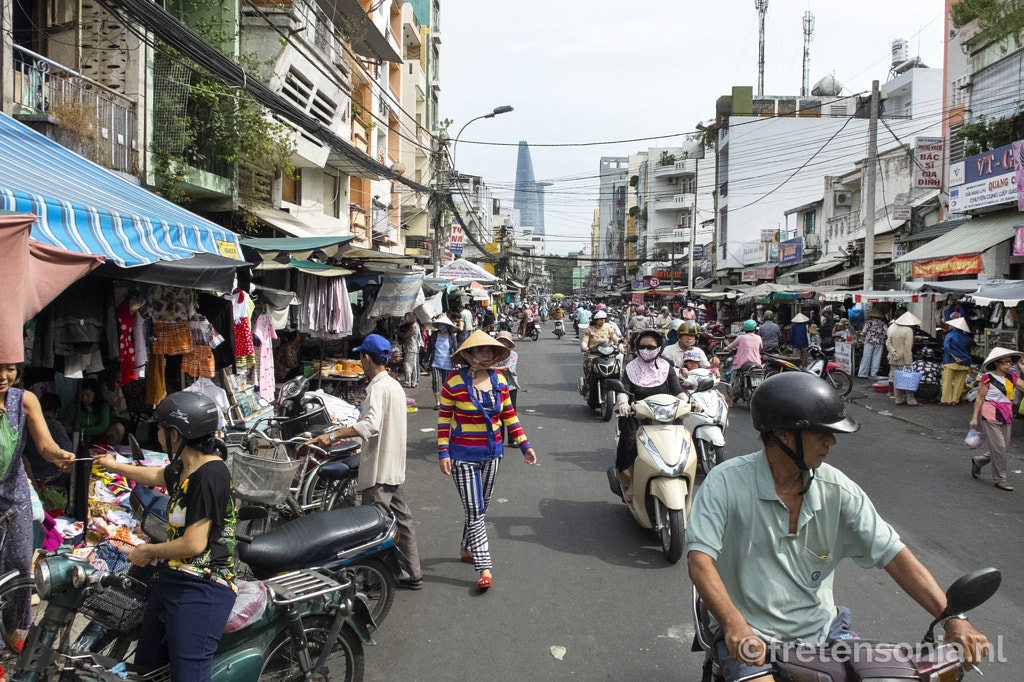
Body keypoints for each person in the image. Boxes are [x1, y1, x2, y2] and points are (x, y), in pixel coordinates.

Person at [687, 372, 990, 682]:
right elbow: (700, 563)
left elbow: (895, 556)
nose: (831, 441)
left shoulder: (838, 489)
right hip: (749, 632)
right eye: (821, 433)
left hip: (824, 633)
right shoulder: (724, 483)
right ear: (784, 434)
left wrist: (952, 618)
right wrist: (733, 623)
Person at [94, 392, 236, 681]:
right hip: (172, 576)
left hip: (202, 585)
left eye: (159, 428)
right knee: (147, 667)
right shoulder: (185, 466)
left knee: (188, 674)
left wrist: (147, 551)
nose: (155, 433)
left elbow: (194, 543)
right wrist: (116, 466)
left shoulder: (211, 475)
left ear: (175, 434)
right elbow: (159, 477)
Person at [308, 334, 423, 588]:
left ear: (367, 358)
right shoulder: (393, 385)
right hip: (394, 467)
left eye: (361, 357)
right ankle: (414, 573)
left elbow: (370, 425)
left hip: (379, 471)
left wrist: (333, 435)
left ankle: (372, 582)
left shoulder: (379, 388)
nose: (360, 362)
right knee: (402, 521)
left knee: (374, 529)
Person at [437, 331, 537, 590]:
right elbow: (444, 419)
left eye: (490, 351)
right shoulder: (453, 382)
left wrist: (524, 444)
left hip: (492, 455)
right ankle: (484, 567)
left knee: (480, 507)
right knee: (475, 511)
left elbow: (509, 415)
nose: (487, 355)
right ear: (469, 355)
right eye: (481, 351)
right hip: (462, 457)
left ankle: (467, 548)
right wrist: (443, 452)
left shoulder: (500, 379)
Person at [0, 364, 74, 659]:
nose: (3, 376)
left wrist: (58, 455)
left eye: (8, 369)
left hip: (14, 490)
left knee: (19, 564)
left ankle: (13, 630)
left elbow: (45, 445)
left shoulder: (25, 399)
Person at [613, 330, 683, 502]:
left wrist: (689, 402)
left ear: (659, 347)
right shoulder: (631, 368)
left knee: (682, 444)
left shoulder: (667, 367)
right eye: (642, 346)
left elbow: (677, 391)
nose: (646, 350)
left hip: (665, 417)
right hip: (637, 416)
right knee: (631, 441)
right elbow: (624, 390)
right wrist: (623, 403)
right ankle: (633, 483)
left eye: (651, 347)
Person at [969, 347, 1024, 492]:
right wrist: (974, 418)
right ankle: (1000, 479)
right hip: (990, 414)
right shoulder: (986, 378)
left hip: (1006, 414)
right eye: (1004, 362)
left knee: (1002, 449)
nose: (1008, 365)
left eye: (1009, 362)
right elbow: (979, 398)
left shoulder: (1011, 377)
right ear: (996, 364)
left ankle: (978, 461)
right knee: (999, 447)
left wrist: (1023, 370)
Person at [65, 377, 124, 446]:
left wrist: (78, 430)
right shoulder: (72, 407)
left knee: (119, 428)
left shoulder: (103, 407)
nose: (84, 398)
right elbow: (64, 426)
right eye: (82, 395)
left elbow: (103, 427)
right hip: (77, 442)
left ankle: (106, 452)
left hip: (97, 441)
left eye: (88, 395)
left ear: (95, 394)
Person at [725, 320, 763, 405]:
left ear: (745, 329)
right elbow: (761, 348)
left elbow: (730, 346)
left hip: (741, 363)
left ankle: (730, 401)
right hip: (756, 363)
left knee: (733, 381)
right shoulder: (758, 338)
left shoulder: (741, 338)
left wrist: (726, 349)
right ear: (754, 329)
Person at [886, 311, 920, 406]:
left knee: (897, 379)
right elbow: (907, 348)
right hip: (903, 359)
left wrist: (893, 352)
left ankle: (898, 399)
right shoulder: (908, 330)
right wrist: (908, 362)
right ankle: (910, 400)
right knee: (907, 379)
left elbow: (888, 343)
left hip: (894, 358)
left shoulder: (892, 328)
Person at [492, 331, 520, 443]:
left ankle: (512, 439)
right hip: (495, 386)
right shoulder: (494, 355)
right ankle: (500, 437)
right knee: (497, 412)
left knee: (510, 413)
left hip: (510, 386)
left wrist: (490, 367)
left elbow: (507, 368)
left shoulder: (513, 355)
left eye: (505, 341)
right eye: (501, 341)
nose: (503, 343)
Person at [425, 315, 459, 410]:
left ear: (448, 326)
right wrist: (426, 360)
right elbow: (429, 348)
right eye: (440, 324)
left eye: (443, 324)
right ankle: (437, 402)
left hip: (448, 363)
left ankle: (445, 401)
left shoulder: (452, 337)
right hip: (435, 362)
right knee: (435, 381)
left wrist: (457, 361)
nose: (441, 326)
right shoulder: (434, 335)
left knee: (445, 384)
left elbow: (455, 349)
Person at [941, 317, 973, 406]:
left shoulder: (950, 335)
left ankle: (947, 400)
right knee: (960, 382)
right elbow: (969, 351)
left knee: (947, 381)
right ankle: (955, 400)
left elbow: (947, 347)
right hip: (964, 361)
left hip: (950, 360)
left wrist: (953, 356)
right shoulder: (967, 338)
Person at [858, 309, 888, 379]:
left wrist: (863, 339)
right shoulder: (883, 324)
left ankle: (863, 373)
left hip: (869, 342)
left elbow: (864, 332)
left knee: (866, 358)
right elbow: (887, 333)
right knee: (876, 358)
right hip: (879, 343)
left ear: (872, 316)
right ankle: (874, 374)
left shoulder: (868, 323)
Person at [398, 312, 422, 389]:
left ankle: (408, 382)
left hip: (411, 347)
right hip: (414, 347)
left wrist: (399, 333)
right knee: (413, 365)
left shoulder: (413, 326)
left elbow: (406, 335)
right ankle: (413, 382)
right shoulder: (416, 324)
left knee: (408, 365)